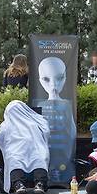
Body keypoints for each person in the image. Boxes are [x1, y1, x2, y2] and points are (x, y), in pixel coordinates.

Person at [32, 56, 76, 185]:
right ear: (40, 80)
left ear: (65, 78)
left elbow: (72, 133)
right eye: (46, 79)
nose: (53, 85)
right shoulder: (39, 105)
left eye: (59, 78)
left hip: (63, 154)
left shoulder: (67, 106)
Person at [0, 100, 50, 194]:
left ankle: (18, 184)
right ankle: (39, 184)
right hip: (36, 149)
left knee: (15, 161)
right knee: (39, 160)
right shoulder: (35, 121)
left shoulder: (7, 125)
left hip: (17, 151)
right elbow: (46, 132)